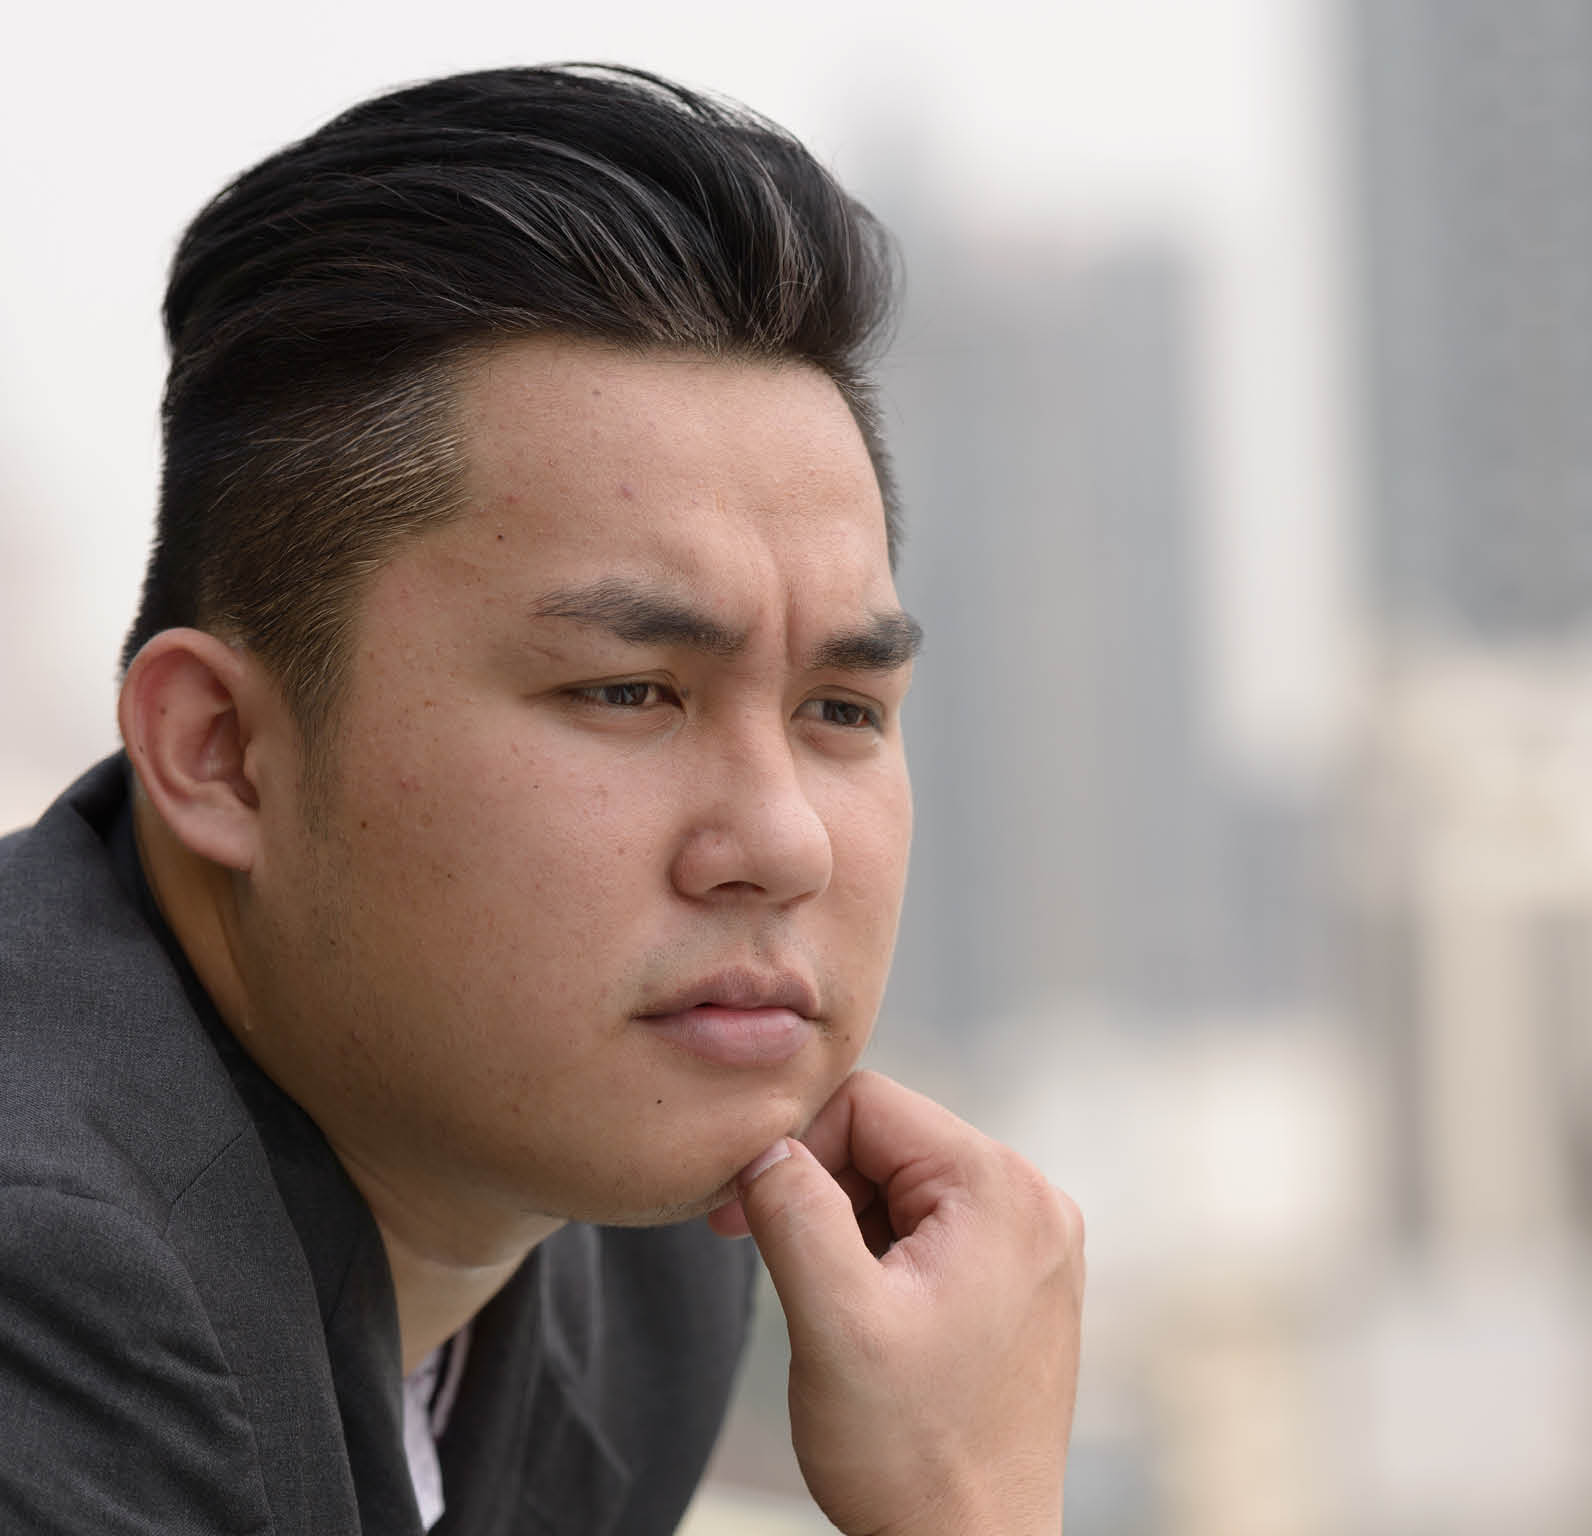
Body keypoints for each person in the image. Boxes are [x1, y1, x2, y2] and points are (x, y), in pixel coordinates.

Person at [0, 63, 1084, 1536]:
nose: (778, 842)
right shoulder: (48, 1274)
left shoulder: (652, 1239)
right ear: (222, 754)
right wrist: (964, 1507)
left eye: (842, 709)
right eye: (628, 693)